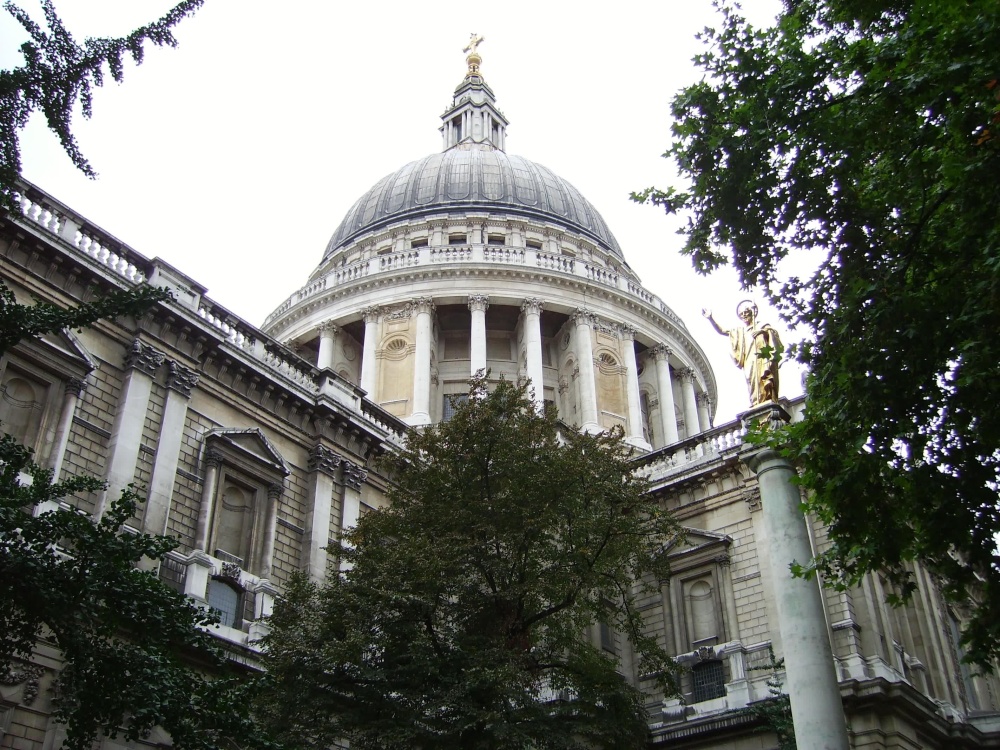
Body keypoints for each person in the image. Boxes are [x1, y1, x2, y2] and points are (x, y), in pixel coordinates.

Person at [702, 301, 782, 407]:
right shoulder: (740, 331)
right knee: (751, 381)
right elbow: (722, 331)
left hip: (762, 358)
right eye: (741, 314)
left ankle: (766, 401)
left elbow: (774, 336)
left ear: (752, 313)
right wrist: (711, 319)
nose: (744, 315)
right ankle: (755, 403)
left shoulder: (762, 325)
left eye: (746, 312)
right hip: (749, 360)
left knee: (764, 378)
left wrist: (762, 331)